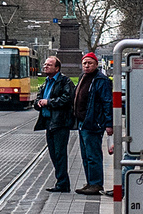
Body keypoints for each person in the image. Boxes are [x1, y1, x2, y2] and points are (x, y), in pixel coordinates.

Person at [34, 54, 76, 192]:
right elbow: (39, 98)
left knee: (60, 154)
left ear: (57, 68)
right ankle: (61, 181)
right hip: (48, 123)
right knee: (53, 154)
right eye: (45, 64)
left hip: (60, 123)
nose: (45, 66)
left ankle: (63, 183)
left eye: (49, 65)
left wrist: (49, 102)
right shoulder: (46, 82)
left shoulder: (65, 82)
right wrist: (38, 103)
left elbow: (67, 99)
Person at [73, 51, 113, 195]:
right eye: (85, 63)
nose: (87, 66)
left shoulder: (101, 80)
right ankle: (90, 182)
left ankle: (96, 183)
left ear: (96, 64)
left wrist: (109, 123)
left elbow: (107, 102)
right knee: (85, 155)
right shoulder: (83, 77)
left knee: (93, 155)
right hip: (83, 122)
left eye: (90, 63)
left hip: (93, 123)